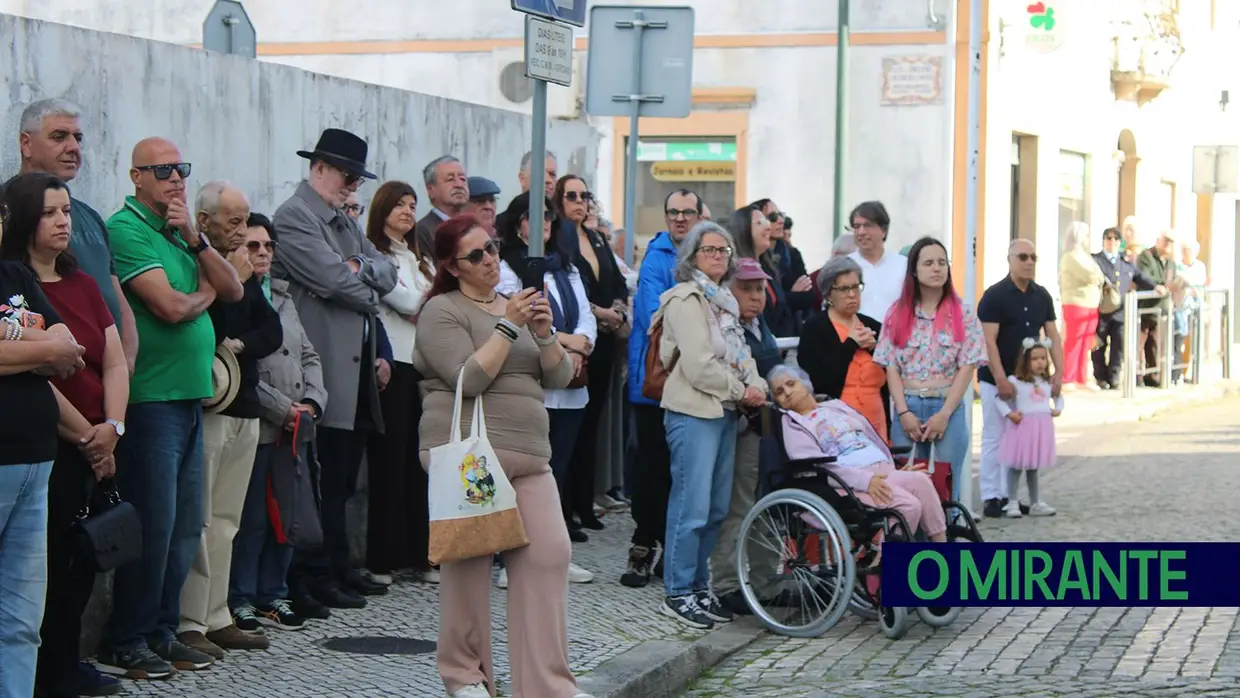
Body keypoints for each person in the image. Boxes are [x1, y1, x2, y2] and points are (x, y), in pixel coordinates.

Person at [413, 215, 592, 698]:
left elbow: (556, 378)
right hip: (471, 455)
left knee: (549, 556)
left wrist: (546, 332)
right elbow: (468, 379)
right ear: (452, 267)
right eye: (476, 255)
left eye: (491, 248)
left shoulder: (511, 307)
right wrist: (509, 327)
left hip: (531, 454)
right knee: (469, 566)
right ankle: (465, 677)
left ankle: (547, 685)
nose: (491, 259)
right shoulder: (441, 312)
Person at [101, 137, 244, 679]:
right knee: (155, 523)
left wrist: (196, 241)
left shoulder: (180, 234)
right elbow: (171, 306)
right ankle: (127, 636)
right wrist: (204, 289)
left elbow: (232, 289)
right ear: (136, 176)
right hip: (153, 400)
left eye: (180, 167)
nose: (175, 177)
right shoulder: (127, 229)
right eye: (162, 170)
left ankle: (161, 631)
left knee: (185, 524)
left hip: (190, 399)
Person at [2, 172, 122, 698]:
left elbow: (70, 347)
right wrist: (37, 346)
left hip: (46, 456)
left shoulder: (17, 278)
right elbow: (48, 352)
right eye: (50, 212)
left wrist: (111, 428)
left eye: (67, 212)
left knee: (33, 604)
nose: (62, 221)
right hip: (28, 451)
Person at [273, 128, 396, 611]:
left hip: (352, 368)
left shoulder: (342, 222)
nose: (353, 187)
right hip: (318, 369)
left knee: (342, 476)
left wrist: (357, 270)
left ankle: (338, 565)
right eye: (347, 176)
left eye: (357, 179)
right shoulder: (295, 217)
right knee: (318, 477)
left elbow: (383, 272)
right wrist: (360, 276)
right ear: (319, 167)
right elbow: (335, 282)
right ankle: (312, 574)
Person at [178, 181, 282, 658]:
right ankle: (189, 619)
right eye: (235, 222)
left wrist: (240, 342)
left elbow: (270, 331)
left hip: (246, 406)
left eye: (245, 220)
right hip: (213, 405)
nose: (243, 232)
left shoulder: (242, 271)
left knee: (227, 521)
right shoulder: (199, 264)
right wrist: (233, 290)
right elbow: (212, 329)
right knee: (199, 521)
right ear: (205, 222)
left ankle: (218, 614)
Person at [652, 221, 767, 630]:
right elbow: (700, 366)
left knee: (716, 508)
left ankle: (699, 587)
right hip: (694, 412)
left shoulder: (726, 302)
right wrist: (742, 390)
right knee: (691, 506)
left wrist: (755, 384)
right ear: (692, 256)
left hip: (725, 413)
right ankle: (678, 591)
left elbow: (741, 355)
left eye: (724, 251)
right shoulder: (686, 299)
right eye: (710, 250)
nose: (718, 256)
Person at [228, 213, 325, 634]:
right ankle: (241, 597)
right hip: (263, 423)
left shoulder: (284, 296)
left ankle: (274, 593)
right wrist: (282, 408)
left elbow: (308, 355)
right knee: (250, 518)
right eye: (253, 246)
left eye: (268, 246)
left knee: (287, 515)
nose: (263, 253)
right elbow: (241, 366)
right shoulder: (237, 296)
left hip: (296, 425)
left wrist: (312, 402)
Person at [495, 191, 597, 584]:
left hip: (571, 379)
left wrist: (582, 344)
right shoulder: (508, 265)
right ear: (518, 221)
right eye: (533, 217)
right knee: (525, 469)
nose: (543, 226)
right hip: (533, 378)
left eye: (548, 219)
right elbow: (521, 314)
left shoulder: (565, 266)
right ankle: (513, 557)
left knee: (559, 470)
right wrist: (566, 342)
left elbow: (586, 314)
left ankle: (552, 550)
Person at [768, 364, 947, 543]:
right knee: (909, 506)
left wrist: (894, 466)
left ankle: (943, 551)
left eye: (791, 384)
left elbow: (869, 439)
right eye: (779, 392)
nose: (788, 392)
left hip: (881, 471)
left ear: (805, 383)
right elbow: (816, 465)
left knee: (921, 481)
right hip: (849, 484)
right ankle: (880, 566)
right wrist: (866, 481)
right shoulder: (793, 424)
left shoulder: (835, 406)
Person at [624, 189, 702, 588]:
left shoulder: (709, 253)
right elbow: (656, 313)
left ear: (700, 215)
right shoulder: (657, 257)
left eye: (688, 212)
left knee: (684, 471)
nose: (680, 219)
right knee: (652, 467)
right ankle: (643, 545)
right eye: (673, 211)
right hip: (655, 381)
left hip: (695, 380)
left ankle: (674, 551)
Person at [874, 237, 986, 504]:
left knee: (947, 492)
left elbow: (967, 368)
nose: (937, 268)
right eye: (928, 263)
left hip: (947, 408)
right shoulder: (896, 314)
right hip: (908, 409)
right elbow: (891, 367)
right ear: (914, 270)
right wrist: (903, 413)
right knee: (907, 491)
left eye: (941, 262)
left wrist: (944, 415)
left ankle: (947, 543)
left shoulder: (963, 314)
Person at [363, 181, 436, 584]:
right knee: (389, 462)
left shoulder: (418, 256)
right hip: (394, 361)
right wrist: (422, 302)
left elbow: (434, 299)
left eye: (412, 205)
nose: (408, 212)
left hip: (423, 363)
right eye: (399, 205)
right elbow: (408, 302)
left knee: (419, 462)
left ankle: (420, 553)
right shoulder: (376, 254)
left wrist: (423, 303)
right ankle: (383, 558)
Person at [555, 175, 628, 537]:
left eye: (585, 195)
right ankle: (565, 510)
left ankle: (584, 503)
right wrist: (599, 313)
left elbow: (615, 280)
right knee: (571, 430)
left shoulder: (597, 237)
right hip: (576, 343)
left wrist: (616, 309)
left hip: (603, 345)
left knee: (592, 429)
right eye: (571, 196)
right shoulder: (559, 240)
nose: (579, 202)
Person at [708, 258, 781, 617]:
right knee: (738, 506)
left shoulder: (760, 324)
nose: (755, 296)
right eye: (746, 289)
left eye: (759, 289)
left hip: (766, 426)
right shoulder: (726, 326)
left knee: (768, 502)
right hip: (742, 425)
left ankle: (767, 580)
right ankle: (726, 584)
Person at [977, 239, 1062, 519]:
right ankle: (992, 496)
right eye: (1023, 256)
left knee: (1019, 439)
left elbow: (1053, 335)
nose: (1029, 262)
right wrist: (1001, 378)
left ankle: (1010, 497)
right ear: (1010, 259)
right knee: (994, 436)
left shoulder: (1042, 296)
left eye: (1033, 257)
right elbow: (988, 340)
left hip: (1028, 381)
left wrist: (1059, 374)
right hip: (996, 377)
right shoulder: (995, 295)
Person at [798, 256, 888, 441]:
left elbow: (890, 376)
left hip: (876, 421)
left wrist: (875, 349)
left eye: (856, 287)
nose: (852, 294)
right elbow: (819, 380)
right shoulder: (814, 327)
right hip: (836, 424)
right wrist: (850, 344)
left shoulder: (875, 327)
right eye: (844, 289)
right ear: (829, 294)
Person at [996, 338, 1062, 518]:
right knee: (1016, 466)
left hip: (1041, 428)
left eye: (1043, 358)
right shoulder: (1016, 382)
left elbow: (1057, 397)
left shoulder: (1047, 382)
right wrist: (1009, 414)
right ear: (1025, 361)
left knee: (1033, 467)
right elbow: (1000, 400)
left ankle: (1035, 502)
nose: (1040, 362)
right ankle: (1012, 501)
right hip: (1022, 428)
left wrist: (1057, 409)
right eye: (1035, 359)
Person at [1091, 227, 1161, 389]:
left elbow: (1140, 277)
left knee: (1118, 345)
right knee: (1099, 346)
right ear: (1104, 241)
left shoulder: (1125, 263)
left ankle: (1114, 377)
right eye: (1108, 238)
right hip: (1101, 310)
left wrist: (1156, 286)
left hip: (1120, 311)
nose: (1112, 242)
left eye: (1116, 239)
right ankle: (1100, 377)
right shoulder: (1096, 260)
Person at [1057, 222, 1106, 391]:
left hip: (1091, 303)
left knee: (1086, 343)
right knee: (1073, 341)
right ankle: (1067, 377)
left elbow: (1099, 275)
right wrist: (1097, 276)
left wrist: (1098, 276)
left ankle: (1081, 377)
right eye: (1085, 235)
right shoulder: (1070, 256)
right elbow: (1091, 275)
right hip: (1075, 303)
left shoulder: (1085, 255)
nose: (1087, 239)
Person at [846, 201, 905, 325]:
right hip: (856, 340)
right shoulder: (844, 266)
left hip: (896, 339)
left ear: (883, 230)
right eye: (856, 226)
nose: (861, 232)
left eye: (867, 225)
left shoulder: (904, 265)